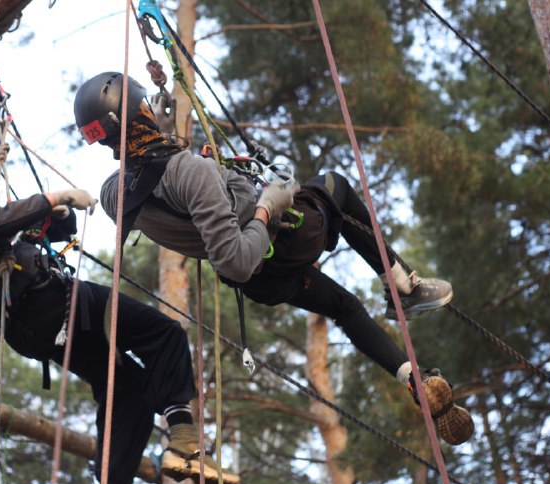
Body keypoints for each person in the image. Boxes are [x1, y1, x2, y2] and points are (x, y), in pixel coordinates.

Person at [73, 72, 475, 446]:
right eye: (146, 108)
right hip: (282, 239)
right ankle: (403, 286)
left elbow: (153, 172)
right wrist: (267, 205)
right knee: (335, 185)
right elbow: (234, 258)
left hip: (265, 282)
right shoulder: (189, 172)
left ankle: (413, 380)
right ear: (139, 113)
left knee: (345, 307)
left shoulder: (114, 194)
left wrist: (166, 136)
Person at [0, 119, 240, 484]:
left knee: (129, 393)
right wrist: (47, 198)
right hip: (54, 306)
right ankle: (184, 439)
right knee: (163, 333)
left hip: (39, 321)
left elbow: (10, 232)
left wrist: (55, 217)